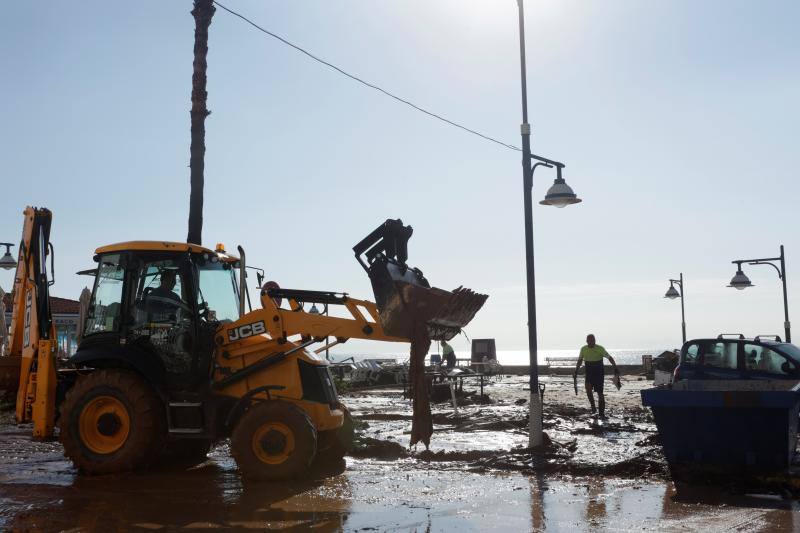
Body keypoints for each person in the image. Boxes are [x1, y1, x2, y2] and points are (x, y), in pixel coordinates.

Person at [573, 334, 619, 419]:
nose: (591, 342)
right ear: (587, 341)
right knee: (588, 389)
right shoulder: (583, 349)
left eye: (593, 340)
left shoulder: (600, 348)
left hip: (599, 373)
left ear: (595, 341)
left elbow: (610, 358)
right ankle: (593, 407)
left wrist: (615, 367)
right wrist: (576, 371)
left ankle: (601, 413)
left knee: (600, 393)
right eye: (589, 340)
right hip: (589, 373)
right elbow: (580, 360)